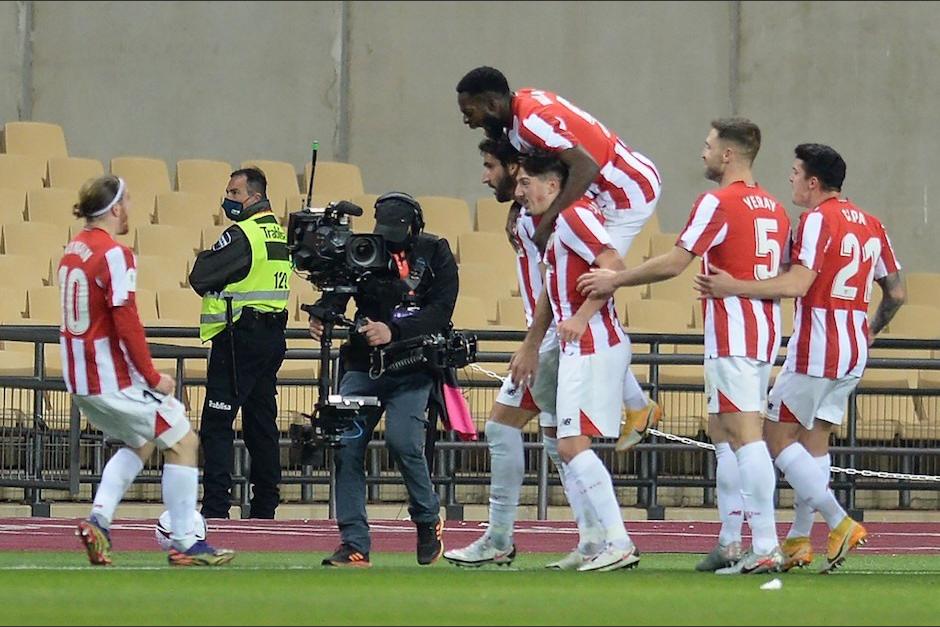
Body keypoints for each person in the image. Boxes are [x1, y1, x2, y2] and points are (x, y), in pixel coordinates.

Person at [578, 118, 790, 574]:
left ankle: (766, 544)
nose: (703, 152)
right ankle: (730, 541)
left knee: (744, 434)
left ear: (728, 154)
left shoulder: (718, 202)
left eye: (709, 145)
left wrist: (616, 279)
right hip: (763, 329)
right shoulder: (774, 207)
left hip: (735, 330)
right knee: (722, 431)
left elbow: (676, 262)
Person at [694, 143, 906, 573]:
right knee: (814, 440)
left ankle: (839, 521)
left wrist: (734, 286)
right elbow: (897, 292)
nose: (790, 178)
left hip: (818, 345)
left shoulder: (815, 220)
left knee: (773, 438)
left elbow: (796, 284)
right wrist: (870, 330)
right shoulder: (872, 224)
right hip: (853, 347)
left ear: (813, 182)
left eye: (795, 172)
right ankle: (798, 539)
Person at [456, 66, 662, 450]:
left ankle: (636, 405)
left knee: (598, 275)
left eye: (470, 112)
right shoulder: (519, 117)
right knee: (570, 280)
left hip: (625, 194)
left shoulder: (531, 121)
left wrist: (549, 220)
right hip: (604, 192)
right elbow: (547, 168)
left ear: (492, 103)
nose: (468, 121)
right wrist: (522, 207)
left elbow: (585, 165)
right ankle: (635, 404)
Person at [443, 137, 606, 569]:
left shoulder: (546, 217)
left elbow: (558, 280)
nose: (486, 177)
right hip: (553, 335)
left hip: (552, 336)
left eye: (491, 166)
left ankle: (502, 537)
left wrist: (532, 343)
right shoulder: (530, 213)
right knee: (559, 440)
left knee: (504, 428)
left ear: (516, 168)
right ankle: (596, 537)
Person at [64, 175, 234, 566]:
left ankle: (99, 521)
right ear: (115, 208)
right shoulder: (114, 254)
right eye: (127, 202)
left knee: (141, 441)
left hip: (81, 380)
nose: (130, 209)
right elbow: (126, 321)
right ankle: (185, 542)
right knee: (184, 441)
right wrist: (153, 377)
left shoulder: (73, 251)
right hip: (111, 378)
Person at [309, 192, 458, 568]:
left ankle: (427, 519)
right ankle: (354, 543)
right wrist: (322, 315)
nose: (390, 240)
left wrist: (394, 331)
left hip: (412, 366)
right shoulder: (363, 250)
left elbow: (440, 312)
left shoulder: (435, 252)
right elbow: (339, 293)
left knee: (403, 441)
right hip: (363, 366)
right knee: (346, 448)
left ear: (414, 228)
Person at [517, 152, 640, 572]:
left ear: (553, 185)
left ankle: (619, 541)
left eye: (527, 182)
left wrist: (583, 316)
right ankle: (592, 542)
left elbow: (613, 267)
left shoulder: (573, 216)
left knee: (571, 445)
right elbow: (551, 293)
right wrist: (533, 343)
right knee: (562, 441)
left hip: (593, 345)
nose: (520, 192)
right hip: (578, 347)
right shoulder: (559, 223)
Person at [189, 167, 290, 520]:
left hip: (239, 338)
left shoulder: (243, 234)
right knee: (261, 425)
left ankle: (216, 507)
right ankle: (265, 507)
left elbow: (201, 276)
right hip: (271, 336)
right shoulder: (278, 234)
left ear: (255, 197)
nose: (228, 199)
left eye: (234, 193)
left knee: (217, 424)